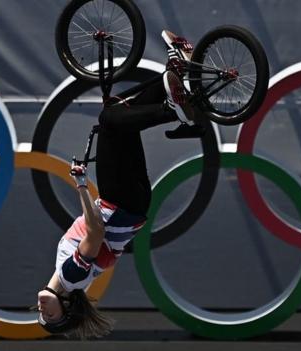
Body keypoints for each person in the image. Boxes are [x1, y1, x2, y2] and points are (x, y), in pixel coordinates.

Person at [36, 31, 201, 339]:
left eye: (41, 315)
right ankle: (173, 110)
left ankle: (178, 73)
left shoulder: (73, 278)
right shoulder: (71, 278)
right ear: (67, 306)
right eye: (51, 317)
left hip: (133, 204)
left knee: (122, 115)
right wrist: (82, 185)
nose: (43, 311)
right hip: (120, 202)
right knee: (111, 119)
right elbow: (96, 231)